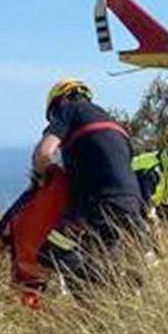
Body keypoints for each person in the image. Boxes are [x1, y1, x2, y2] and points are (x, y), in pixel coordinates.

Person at [31, 78, 146, 282]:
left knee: (50, 253)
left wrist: (41, 178)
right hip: (131, 203)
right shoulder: (114, 125)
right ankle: (114, 289)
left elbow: (45, 153)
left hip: (99, 203)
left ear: (60, 101)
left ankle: (115, 280)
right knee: (97, 256)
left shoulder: (69, 110)